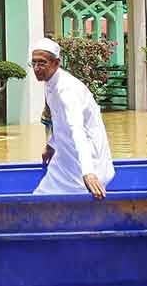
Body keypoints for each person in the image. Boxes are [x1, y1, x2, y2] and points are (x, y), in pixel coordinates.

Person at [30, 38, 114, 199]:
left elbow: (77, 130)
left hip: (86, 159)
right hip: (65, 157)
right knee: (41, 197)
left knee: (78, 202)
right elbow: (60, 121)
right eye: (33, 63)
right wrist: (51, 145)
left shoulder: (67, 90)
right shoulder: (50, 83)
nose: (36, 68)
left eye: (42, 63)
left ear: (56, 63)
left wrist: (89, 172)